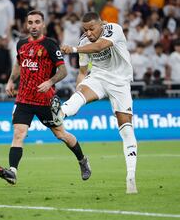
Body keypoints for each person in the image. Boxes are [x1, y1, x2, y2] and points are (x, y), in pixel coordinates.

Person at [0, 10, 91, 185]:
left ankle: (82, 160)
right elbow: (18, 63)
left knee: (61, 134)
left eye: (37, 22)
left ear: (43, 24)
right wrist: (10, 81)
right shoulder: (21, 44)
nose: (33, 26)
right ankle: (13, 172)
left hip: (45, 100)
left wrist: (50, 81)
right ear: (26, 25)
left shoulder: (50, 45)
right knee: (19, 134)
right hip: (24, 99)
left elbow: (63, 71)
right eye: (30, 22)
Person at [59, 12, 138, 194]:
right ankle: (58, 114)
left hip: (120, 82)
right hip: (99, 78)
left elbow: (100, 46)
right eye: (84, 30)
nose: (88, 33)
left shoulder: (114, 29)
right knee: (76, 98)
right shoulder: (83, 42)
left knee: (126, 129)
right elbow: (82, 71)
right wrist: (79, 90)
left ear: (101, 23)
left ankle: (131, 176)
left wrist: (72, 50)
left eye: (91, 28)